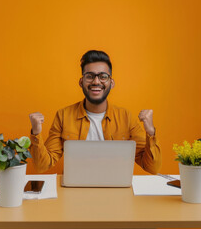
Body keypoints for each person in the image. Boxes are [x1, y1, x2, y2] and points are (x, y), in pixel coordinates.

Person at [29, 50, 161, 174]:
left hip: (115, 190)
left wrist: (150, 132)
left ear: (112, 83)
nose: (96, 81)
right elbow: (42, 166)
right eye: (90, 76)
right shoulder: (63, 115)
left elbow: (152, 168)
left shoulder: (125, 117)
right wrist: (36, 132)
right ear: (81, 82)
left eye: (103, 76)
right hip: (76, 190)